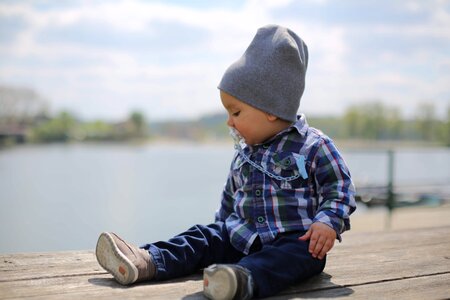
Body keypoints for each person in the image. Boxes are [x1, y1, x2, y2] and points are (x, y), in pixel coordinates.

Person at [95, 24, 356, 299]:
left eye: (236, 111)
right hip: (240, 237)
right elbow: (230, 198)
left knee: (297, 257)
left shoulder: (313, 146)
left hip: (294, 241)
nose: (229, 121)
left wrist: (327, 221)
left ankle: (240, 279)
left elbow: (340, 188)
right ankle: (146, 261)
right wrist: (218, 231)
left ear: (271, 108)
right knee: (204, 237)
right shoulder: (245, 151)